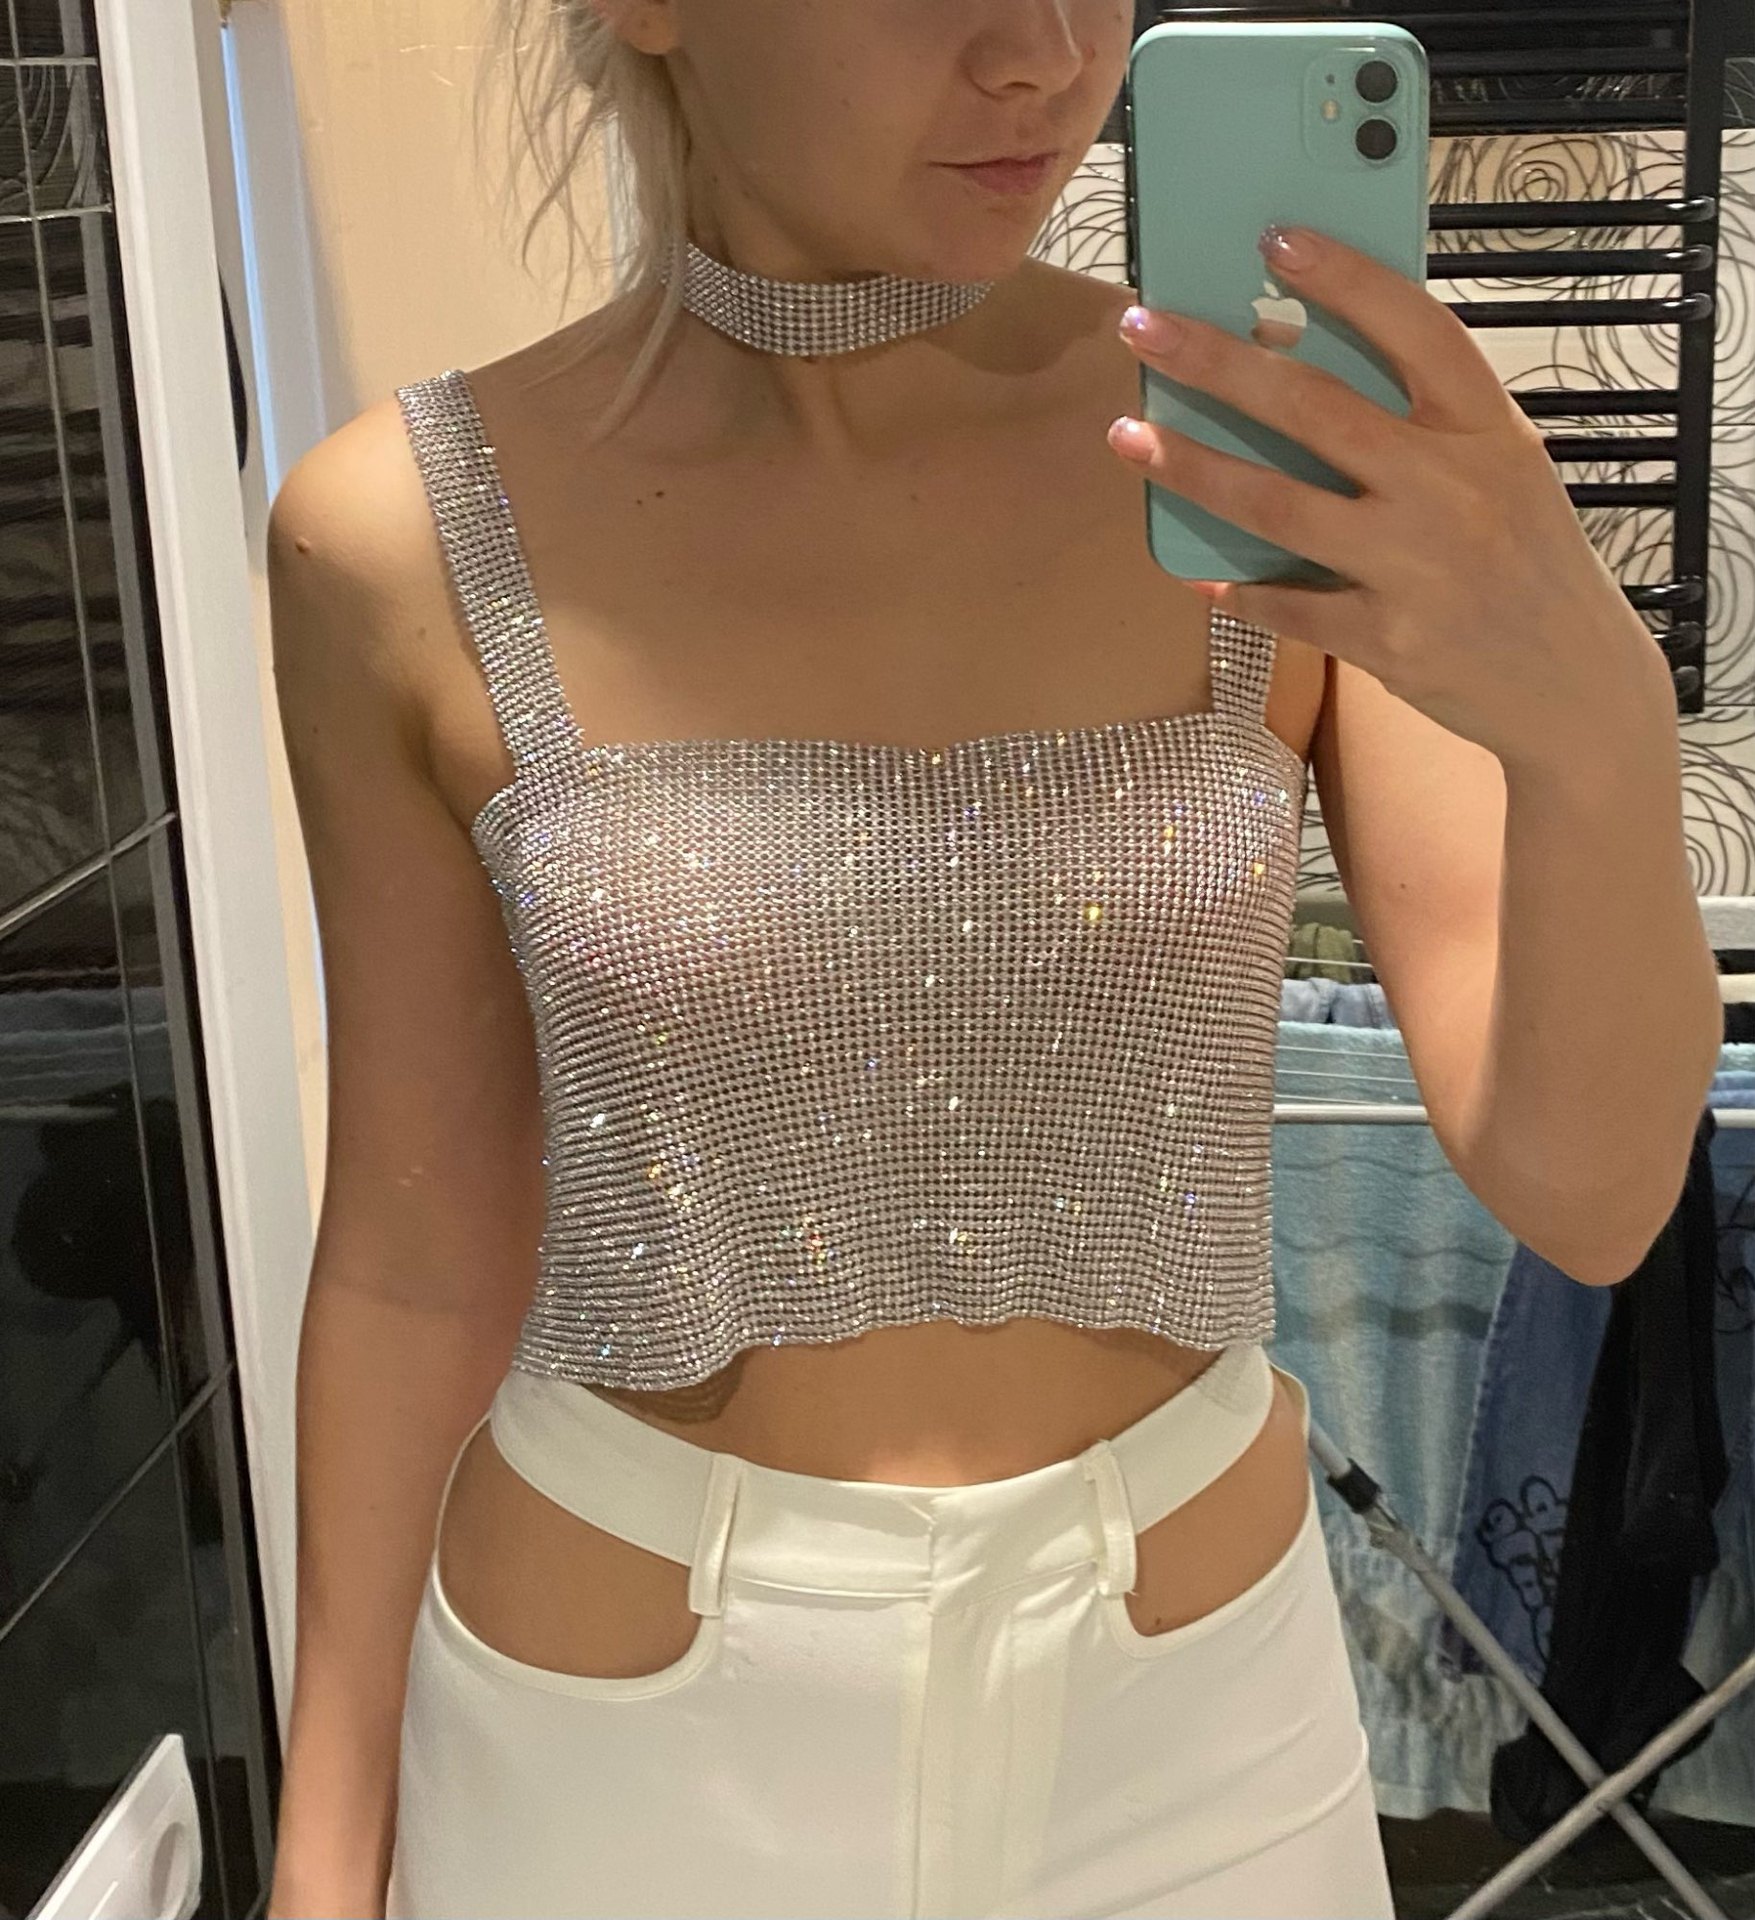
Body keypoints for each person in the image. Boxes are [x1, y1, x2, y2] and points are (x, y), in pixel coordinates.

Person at [263, 2, 1721, 1916]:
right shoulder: (398, 537)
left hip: (1196, 1739)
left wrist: (1595, 719)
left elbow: (1593, 1196)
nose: (1044, 49)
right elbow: (415, 1259)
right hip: (615, 1747)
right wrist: (322, 1864)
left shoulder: (1285, 458)